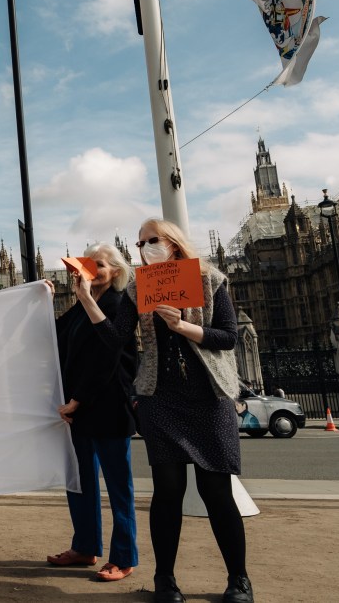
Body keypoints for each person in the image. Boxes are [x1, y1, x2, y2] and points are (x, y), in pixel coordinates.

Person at [92, 219, 252, 603]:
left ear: (173, 243)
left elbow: (228, 338)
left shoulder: (210, 279)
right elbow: (115, 337)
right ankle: (165, 580)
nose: (145, 247)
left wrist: (182, 326)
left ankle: (239, 580)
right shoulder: (138, 287)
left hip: (208, 396)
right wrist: (85, 298)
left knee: (216, 491)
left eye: (152, 240)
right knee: (168, 491)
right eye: (140, 242)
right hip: (160, 397)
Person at [45, 243, 139, 582]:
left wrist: (78, 399)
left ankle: (124, 558)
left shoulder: (119, 304)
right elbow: (53, 334)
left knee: (118, 488)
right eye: (87, 263)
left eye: (97, 264)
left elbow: (108, 359)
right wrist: (42, 297)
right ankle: (85, 546)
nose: (89, 269)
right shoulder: (82, 308)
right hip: (77, 409)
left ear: (114, 272)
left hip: (107, 406)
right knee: (79, 482)